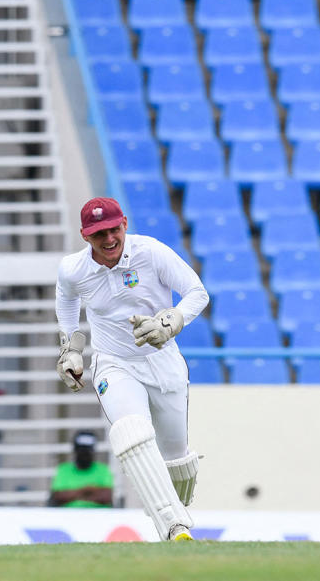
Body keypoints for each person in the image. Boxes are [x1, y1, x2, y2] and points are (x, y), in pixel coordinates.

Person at [55, 197, 209, 542]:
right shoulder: (73, 269)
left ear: (124, 223)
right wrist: (71, 348)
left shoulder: (151, 252)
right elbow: (66, 301)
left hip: (163, 360)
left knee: (176, 460)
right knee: (131, 432)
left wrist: (170, 322)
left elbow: (197, 293)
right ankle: (175, 528)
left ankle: (170, 521)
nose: (108, 240)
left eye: (114, 230)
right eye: (98, 235)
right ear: (85, 236)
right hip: (114, 363)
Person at [50, 431, 114, 508]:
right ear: (75, 451)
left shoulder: (104, 470)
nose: (84, 455)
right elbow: (58, 497)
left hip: (99, 518)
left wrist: (73, 494)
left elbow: (106, 497)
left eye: (87, 452)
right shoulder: (63, 470)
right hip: (68, 518)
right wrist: (87, 490)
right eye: (81, 451)